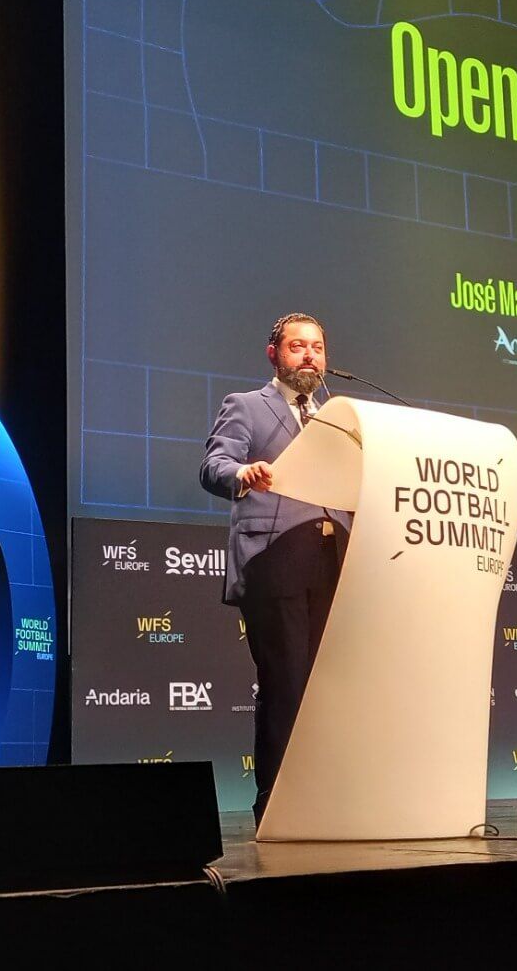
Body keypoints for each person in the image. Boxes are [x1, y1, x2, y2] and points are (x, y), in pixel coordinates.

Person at [199, 312, 350, 826]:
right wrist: (244, 473)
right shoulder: (247, 407)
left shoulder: (338, 418)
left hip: (336, 568)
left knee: (329, 695)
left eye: (317, 347)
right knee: (286, 686)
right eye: (297, 346)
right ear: (274, 355)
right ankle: (279, 808)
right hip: (276, 565)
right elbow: (214, 466)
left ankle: (328, 802)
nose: (309, 355)